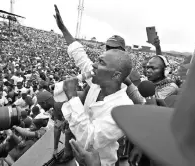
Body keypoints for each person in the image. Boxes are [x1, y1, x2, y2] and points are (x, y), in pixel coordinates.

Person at [54, 5, 133, 165]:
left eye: (101, 62)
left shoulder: (124, 107)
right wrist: (63, 28)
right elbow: (79, 55)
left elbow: (91, 139)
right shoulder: (97, 80)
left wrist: (73, 98)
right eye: (108, 48)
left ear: (116, 74)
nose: (94, 66)